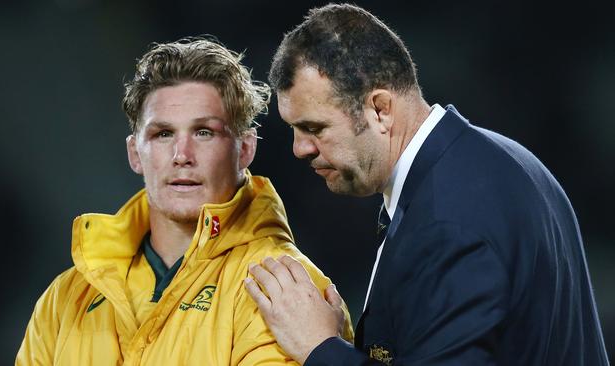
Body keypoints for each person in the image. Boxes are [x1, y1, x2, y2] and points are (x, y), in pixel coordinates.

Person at [244, 4, 610, 365]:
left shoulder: (450, 221)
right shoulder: (490, 161)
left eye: (314, 128)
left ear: (380, 110)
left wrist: (320, 349)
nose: (299, 149)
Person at [16, 37, 353, 365]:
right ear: (135, 153)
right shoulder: (66, 299)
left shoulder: (286, 290)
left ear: (245, 149)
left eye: (204, 132)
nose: (182, 155)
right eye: (163, 134)